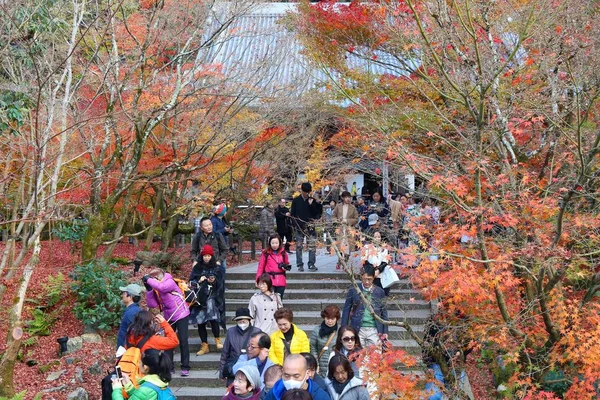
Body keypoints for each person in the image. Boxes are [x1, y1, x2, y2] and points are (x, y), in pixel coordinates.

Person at [143, 268, 190, 376]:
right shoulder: (155, 287)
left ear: (159, 276)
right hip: (169, 316)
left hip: (181, 313)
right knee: (168, 342)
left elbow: (162, 288)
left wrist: (149, 280)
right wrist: (149, 290)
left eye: (154, 278)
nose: (154, 280)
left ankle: (185, 366)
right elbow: (152, 304)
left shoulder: (169, 281)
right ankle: (169, 366)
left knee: (183, 340)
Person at [191, 216, 229, 330]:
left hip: (216, 267)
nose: (209, 227)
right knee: (203, 292)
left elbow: (225, 250)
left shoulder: (218, 235)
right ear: (202, 227)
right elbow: (193, 250)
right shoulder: (198, 236)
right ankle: (205, 317)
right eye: (206, 225)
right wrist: (195, 260)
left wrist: (219, 260)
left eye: (210, 224)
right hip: (202, 266)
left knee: (218, 293)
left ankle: (219, 319)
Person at [341, 266, 388, 348]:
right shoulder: (354, 290)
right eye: (364, 279)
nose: (366, 282)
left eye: (369, 279)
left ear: (373, 278)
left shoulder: (380, 292)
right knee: (357, 355)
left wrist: (385, 331)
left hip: (375, 328)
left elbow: (384, 312)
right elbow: (346, 310)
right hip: (357, 327)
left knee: (374, 355)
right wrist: (343, 328)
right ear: (361, 277)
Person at [189, 244, 223, 355]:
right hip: (199, 299)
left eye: (209, 255)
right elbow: (191, 282)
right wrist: (199, 280)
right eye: (205, 256)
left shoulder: (217, 267)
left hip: (211, 298)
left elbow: (221, 283)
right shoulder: (197, 267)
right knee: (200, 322)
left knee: (214, 320)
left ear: (212, 256)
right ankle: (204, 345)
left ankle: (217, 339)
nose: (206, 257)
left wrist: (213, 281)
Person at [220, 307, 263, 386]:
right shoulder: (231, 332)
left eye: (244, 321)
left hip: (251, 366)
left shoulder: (257, 332)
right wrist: (222, 372)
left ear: (249, 320)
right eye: (239, 322)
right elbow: (225, 353)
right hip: (234, 366)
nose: (242, 324)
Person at [263, 354, 330, 400]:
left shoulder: (320, 396)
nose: (291, 380)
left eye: (296, 376)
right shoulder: (275, 392)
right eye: (287, 375)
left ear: (307, 374)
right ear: (282, 372)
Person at [290, 182, 323, 272]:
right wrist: (295, 225)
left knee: (312, 245)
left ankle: (311, 263)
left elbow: (317, 214)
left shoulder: (312, 200)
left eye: (308, 192)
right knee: (299, 246)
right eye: (305, 192)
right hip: (299, 226)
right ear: (302, 191)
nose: (307, 194)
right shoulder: (296, 200)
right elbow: (292, 215)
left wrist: (312, 204)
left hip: (310, 226)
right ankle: (300, 264)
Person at [255, 234, 290, 299]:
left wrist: (285, 267)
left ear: (279, 243)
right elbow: (261, 267)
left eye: (276, 243)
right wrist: (258, 279)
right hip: (269, 280)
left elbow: (287, 263)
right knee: (269, 299)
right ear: (270, 243)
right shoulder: (266, 253)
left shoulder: (283, 253)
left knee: (279, 300)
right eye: (273, 243)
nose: (274, 245)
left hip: (281, 280)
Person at [310, 305, 340, 378]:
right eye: (327, 318)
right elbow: (313, 348)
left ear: (337, 319)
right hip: (321, 366)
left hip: (336, 366)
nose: (330, 321)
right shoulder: (316, 330)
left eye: (332, 319)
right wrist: (316, 364)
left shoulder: (340, 331)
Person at [332, 192, 359, 269]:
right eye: (346, 197)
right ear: (343, 198)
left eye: (349, 197)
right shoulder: (338, 206)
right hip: (340, 229)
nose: (348, 199)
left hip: (349, 229)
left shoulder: (353, 208)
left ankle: (345, 262)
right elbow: (333, 215)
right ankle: (339, 261)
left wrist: (347, 221)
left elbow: (356, 219)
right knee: (340, 246)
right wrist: (336, 221)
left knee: (348, 247)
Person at [362, 232, 392, 296]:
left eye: (379, 237)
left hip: (382, 273)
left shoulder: (384, 248)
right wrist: (373, 271)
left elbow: (385, 261)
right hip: (370, 272)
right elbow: (364, 261)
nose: (377, 238)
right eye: (375, 237)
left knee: (382, 293)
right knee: (370, 293)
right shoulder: (366, 247)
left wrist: (378, 270)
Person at [116, 283, 143, 349]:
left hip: (126, 350)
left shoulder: (131, 313)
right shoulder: (135, 310)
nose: (122, 295)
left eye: (124, 293)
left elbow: (136, 333)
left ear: (130, 297)